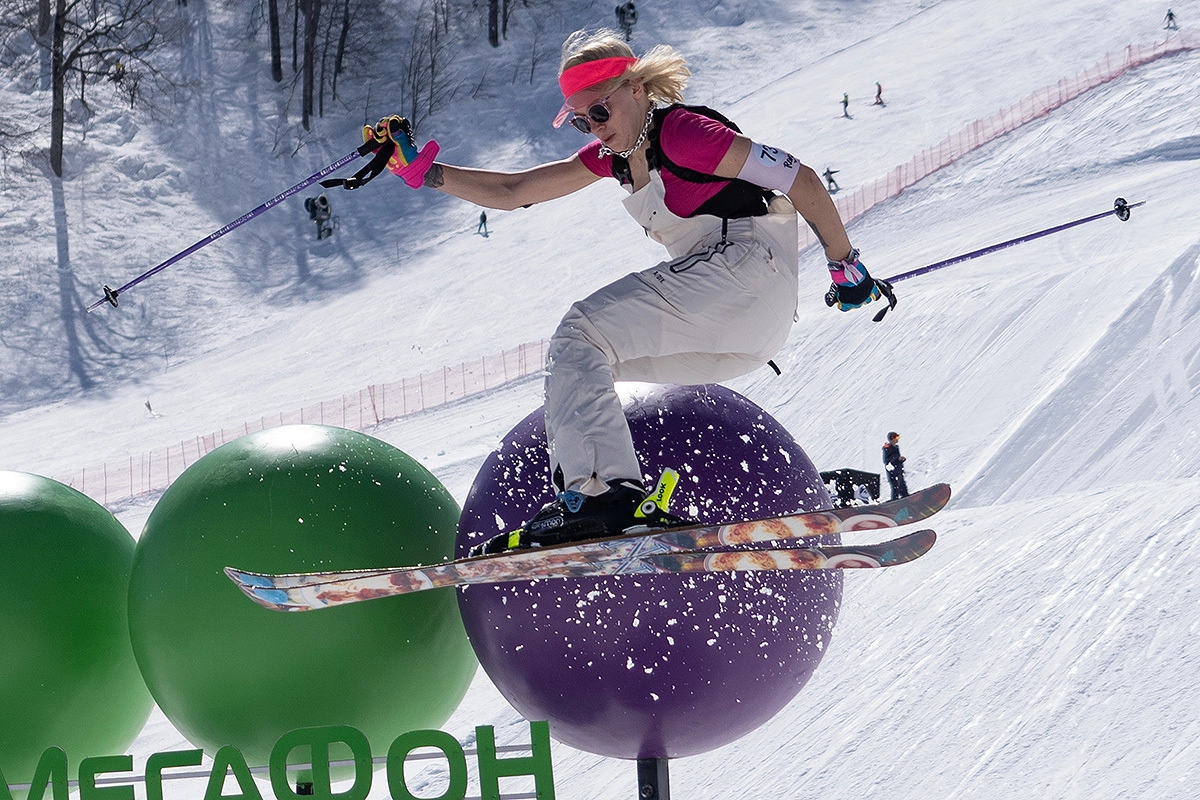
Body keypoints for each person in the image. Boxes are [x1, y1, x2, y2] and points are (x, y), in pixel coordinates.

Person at [382, 29, 893, 552]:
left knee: (581, 333)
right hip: (743, 328)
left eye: (599, 113)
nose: (594, 130)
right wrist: (428, 173)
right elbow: (516, 192)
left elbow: (800, 177)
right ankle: (607, 505)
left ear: (636, 88)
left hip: (744, 270)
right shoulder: (618, 158)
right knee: (582, 366)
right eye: (580, 121)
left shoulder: (684, 133)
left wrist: (844, 264)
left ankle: (601, 497)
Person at [882, 431, 909, 500]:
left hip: (898, 471)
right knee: (896, 487)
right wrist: (897, 459)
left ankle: (906, 498)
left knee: (902, 486)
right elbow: (887, 461)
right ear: (892, 438)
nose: (898, 439)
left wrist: (900, 460)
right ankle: (895, 501)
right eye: (896, 437)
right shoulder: (888, 448)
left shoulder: (896, 447)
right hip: (893, 472)